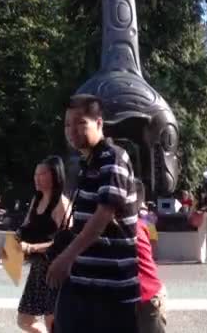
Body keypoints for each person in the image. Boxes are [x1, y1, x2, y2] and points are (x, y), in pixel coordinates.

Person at [47, 94, 139, 332]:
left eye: (80, 122)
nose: (72, 130)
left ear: (99, 123)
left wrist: (66, 257)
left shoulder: (113, 157)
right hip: (82, 285)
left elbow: (104, 214)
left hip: (111, 290)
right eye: (67, 124)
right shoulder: (87, 163)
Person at [17, 156, 69, 333]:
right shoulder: (36, 199)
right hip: (38, 268)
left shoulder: (61, 203)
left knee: (52, 321)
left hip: (56, 268)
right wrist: (15, 243)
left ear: (54, 175)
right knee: (24, 320)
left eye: (42, 174)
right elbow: (24, 228)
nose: (36, 178)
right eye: (35, 174)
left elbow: (66, 242)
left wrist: (32, 248)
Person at [134, 180, 167, 333]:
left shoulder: (132, 223)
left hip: (147, 295)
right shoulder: (146, 220)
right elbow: (152, 241)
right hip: (151, 292)